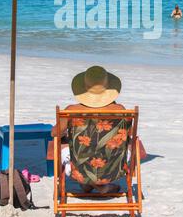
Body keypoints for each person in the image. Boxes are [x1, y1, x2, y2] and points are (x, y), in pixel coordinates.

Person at [52, 66, 127, 195]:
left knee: (62, 145)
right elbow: (128, 134)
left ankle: (88, 183)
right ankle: (98, 186)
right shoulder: (120, 109)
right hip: (113, 168)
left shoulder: (71, 110)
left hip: (79, 168)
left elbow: (54, 133)